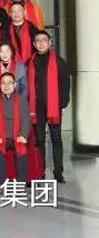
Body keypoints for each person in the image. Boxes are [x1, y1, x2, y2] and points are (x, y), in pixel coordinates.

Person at [28, 31, 69, 182]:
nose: (41, 43)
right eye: (37, 41)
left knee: (56, 139)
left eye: (44, 40)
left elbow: (65, 82)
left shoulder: (58, 61)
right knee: (39, 140)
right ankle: (40, 172)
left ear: (49, 42)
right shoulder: (30, 62)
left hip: (53, 106)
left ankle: (58, 172)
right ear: (34, 44)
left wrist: (63, 102)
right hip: (36, 107)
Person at [0, 72, 30, 182]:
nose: (6, 86)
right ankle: (1, 183)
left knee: (21, 151)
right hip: (1, 137)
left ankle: (21, 184)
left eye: (9, 83)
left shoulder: (22, 100)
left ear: (15, 85)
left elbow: (26, 120)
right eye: (3, 83)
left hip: (17, 136)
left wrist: (23, 135)